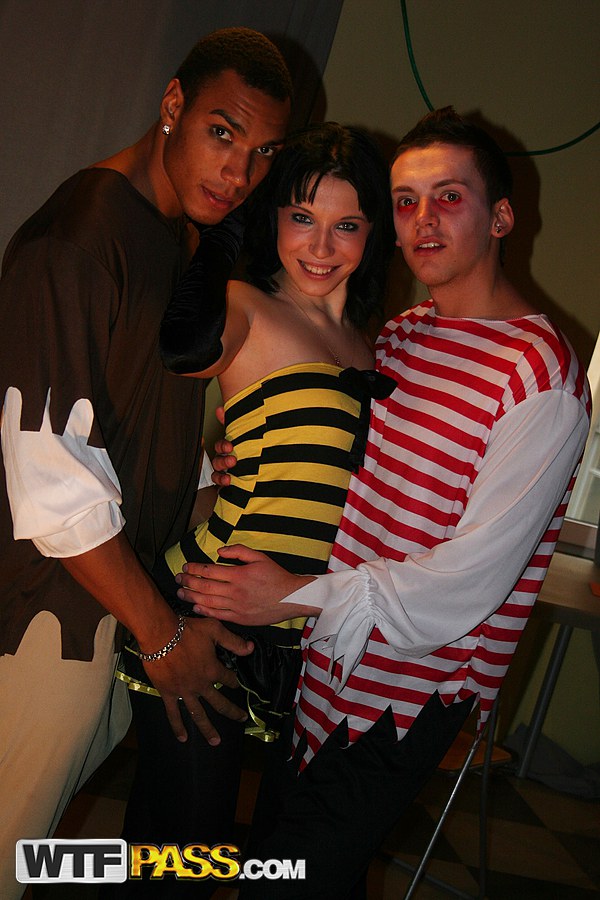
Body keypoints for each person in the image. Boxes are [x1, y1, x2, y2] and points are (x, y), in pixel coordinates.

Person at [177, 107, 591, 898]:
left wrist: (293, 595)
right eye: (405, 201)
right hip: (321, 670)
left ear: (501, 217)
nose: (423, 219)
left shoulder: (538, 376)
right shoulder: (400, 337)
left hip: (407, 692)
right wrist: (237, 459)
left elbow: (470, 580)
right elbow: (337, 471)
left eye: (449, 197)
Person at [0, 27, 292, 899]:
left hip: (104, 613)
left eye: (262, 153)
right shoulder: (82, 236)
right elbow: (48, 473)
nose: (238, 173)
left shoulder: (173, 238)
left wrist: (204, 478)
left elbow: (115, 424)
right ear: (173, 106)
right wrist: (163, 637)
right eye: (222, 133)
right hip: (48, 617)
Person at [112, 122, 396, 895]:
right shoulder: (246, 305)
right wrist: (230, 230)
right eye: (301, 216)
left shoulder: (368, 345)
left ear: (373, 233)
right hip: (209, 608)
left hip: (296, 629)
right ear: (273, 218)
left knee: (209, 851)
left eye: (347, 225)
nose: (320, 245)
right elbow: (167, 359)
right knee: (187, 852)